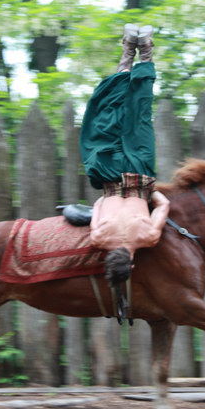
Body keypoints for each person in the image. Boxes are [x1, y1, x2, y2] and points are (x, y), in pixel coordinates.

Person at [80, 24, 170, 321]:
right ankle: (127, 50)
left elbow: (164, 204)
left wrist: (150, 191)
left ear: (130, 265)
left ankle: (144, 49)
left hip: (139, 173)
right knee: (105, 118)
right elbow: (97, 205)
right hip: (108, 175)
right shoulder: (99, 239)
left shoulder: (147, 237)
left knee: (138, 114)